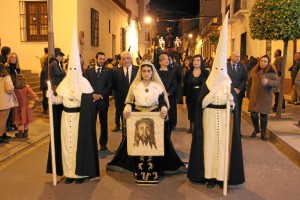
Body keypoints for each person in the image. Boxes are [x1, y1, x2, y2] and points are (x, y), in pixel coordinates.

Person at [107, 60, 186, 185]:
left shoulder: (158, 87)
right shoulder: (135, 86)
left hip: (154, 118)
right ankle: (138, 170)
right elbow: (129, 102)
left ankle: (155, 170)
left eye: (148, 71)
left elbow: (162, 102)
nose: (146, 73)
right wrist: (127, 109)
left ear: (152, 72)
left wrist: (164, 108)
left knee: (155, 144)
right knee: (137, 143)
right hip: (138, 117)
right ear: (141, 72)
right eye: (144, 71)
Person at [47, 28, 100, 184]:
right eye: (70, 68)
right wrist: (52, 97)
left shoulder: (84, 83)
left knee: (78, 145)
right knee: (65, 144)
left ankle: (81, 174)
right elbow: (59, 101)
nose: (73, 71)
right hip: (65, 118)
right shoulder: (64, 83)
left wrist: (78, 94)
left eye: (75, 68)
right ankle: (69, 173)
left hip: (79, 119)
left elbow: (88, 102)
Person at [84, 52, 112, 151]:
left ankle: (103, 144)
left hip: (103, 102)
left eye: (103, 59)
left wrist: (100, 95)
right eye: (100, 59)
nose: (102, 61)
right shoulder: (88, 71)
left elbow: (109, 86)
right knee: (91, 123)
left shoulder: (108, 71)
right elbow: (85, 84)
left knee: (104, 123)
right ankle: (91, 143)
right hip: (92, 101)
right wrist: (92, 95)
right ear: (96, 59)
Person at [248, 55, 279, 141]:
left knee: (263, 115)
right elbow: (250, 82)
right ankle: (256, 129)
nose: (263, 63)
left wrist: (268, 82)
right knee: (253, 114)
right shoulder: (254, 70)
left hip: (265, 96)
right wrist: (248, 94)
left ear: (268, 63)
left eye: (265, 61)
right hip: (254, 96)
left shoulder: (271, 72)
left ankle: (263, 133)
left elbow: (276, 83)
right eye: (261, 61)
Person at [111, 51, 139, 133]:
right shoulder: (115, 72)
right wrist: (117, 98)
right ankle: (125, 141)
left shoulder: (138, 70)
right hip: (121, 102)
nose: (126, 61)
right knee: (124, 125)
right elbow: (114, 86)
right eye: (124, 59)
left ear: (131, 59)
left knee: (135, 125)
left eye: (128, 58)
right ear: (121, 61)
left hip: (136, 102)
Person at [182, 54, 209, 133]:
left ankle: (201, 135)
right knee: (192, 118)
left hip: (202, 98)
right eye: (194, 60)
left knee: (202, 118)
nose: (196, 62)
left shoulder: (206, 72)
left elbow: (209, 87)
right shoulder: (188, 73)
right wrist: (184, 103)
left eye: (198, 60)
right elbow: (185, 89)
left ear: (201, 62)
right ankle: (193, 135)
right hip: (191, 98)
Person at [227, 51, 248, 136]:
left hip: (239, 93)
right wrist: (232, 88)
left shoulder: (243, 67)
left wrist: (239, 89)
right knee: (227, 112)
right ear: (231, 56)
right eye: (236, 56)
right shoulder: (225, 66)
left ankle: (237, 132)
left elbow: (244, 79)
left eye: (239, 56)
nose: (238, 58)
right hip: (228, 92)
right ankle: (227, 130)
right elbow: (224, 78)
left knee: (237, 113)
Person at [158, 54, 178, 134]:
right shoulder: (157, 73)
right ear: (160, 62)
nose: (167, 61)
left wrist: (169, 92)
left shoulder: (172, 72)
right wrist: (162, 93)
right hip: (160, 98)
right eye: (164, 59)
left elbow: (174, 84)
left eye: (167, 59)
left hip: (170, 98)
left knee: (170, 115)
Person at [0, 63, 18, 144]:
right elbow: (9, 89)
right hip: (4, 101)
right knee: (3, 120)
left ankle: (4, 134)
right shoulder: (6, 77)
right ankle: (0, 136)